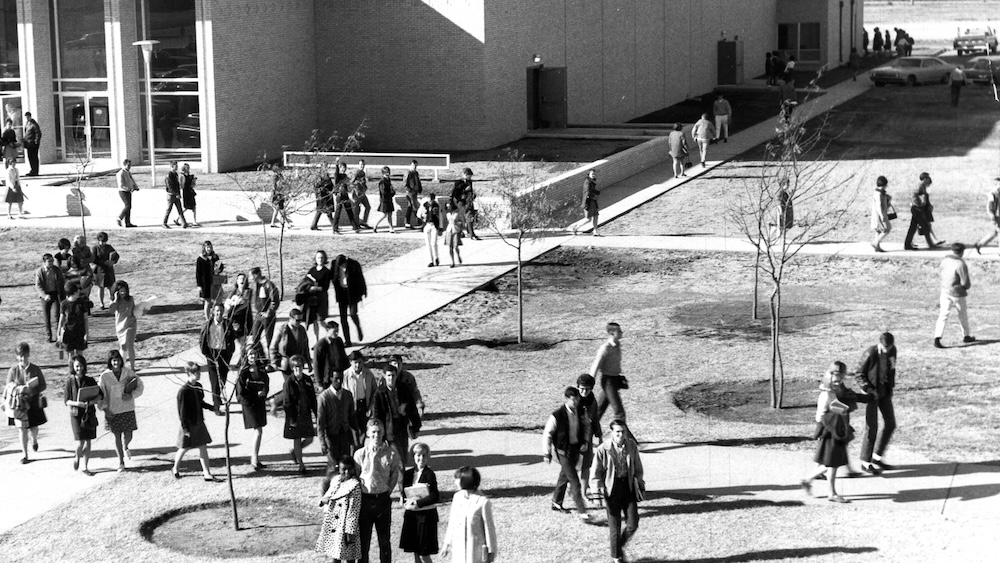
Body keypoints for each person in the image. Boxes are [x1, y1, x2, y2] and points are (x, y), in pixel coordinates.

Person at [800, 362, 858, 503]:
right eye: (837, 381)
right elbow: (821, 415)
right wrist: (844, 410)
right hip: (830, 431)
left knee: (832, 462)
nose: (839, 384)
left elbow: (838, 407)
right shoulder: (827, 395)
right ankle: (830, 493)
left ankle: (809, 481)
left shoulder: (830, 392)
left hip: (832, 430)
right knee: (832, 463)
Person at [590, 419, 644, 563]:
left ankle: (618, 546)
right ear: (612, 433)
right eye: (617, 432)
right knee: (615, 527)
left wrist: (640, 483)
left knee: (633, 524)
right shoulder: (603, 449)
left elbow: (638, 467)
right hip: (611, 491)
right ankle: (617, 557)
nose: (621, 434)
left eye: (623, 431)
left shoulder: (631, 445)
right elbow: (595, 473)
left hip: (628, 489)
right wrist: (597, 494)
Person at [354, 419, 402, 563]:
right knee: (363, 542)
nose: (376, 435)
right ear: (368, 433)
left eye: (379, 431)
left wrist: (388, 490)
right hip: (365, 501)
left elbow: (394, 474)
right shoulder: (360, 454)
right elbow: (356, 476)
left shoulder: (391, 454)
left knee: (384, 541)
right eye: (373, 432)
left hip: (382, 500)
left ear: (383, 433)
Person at [542, 386, 592, 521]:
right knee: (575, 482)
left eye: (577, 399)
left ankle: (556, 502)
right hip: (563, 452)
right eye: (573, 400)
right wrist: (547, 453)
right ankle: (582, 511)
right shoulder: (557, 415)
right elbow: (547, 434)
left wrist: (585, 441)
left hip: (575, 450)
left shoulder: (581, 411)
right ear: (567, 399)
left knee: (564, 477)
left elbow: (587, 426)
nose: (576, 402)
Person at [854, 332, 897, 474]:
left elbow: (892, 368)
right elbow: (859, 373)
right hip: (871, 394)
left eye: (889, 347)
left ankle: (877, 457)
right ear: (880, 344)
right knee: (872, 427)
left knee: (890, 423)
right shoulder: (870, 353)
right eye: (884, 348)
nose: (887, 350)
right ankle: (865, 463)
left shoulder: (892, 350)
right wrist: (868, 389)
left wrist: (890, 386)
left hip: (884, 391)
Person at [171, 361, 219, 480]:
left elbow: (201, 402)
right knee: (184, 447)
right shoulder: (183, 391)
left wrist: (213, 408)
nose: (199, 375)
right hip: (189, 424)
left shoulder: (198, 387)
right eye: (196, 373)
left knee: (203, 446)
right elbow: (182, 412)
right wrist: (185, 428)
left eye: (199, 372)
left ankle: (206, 473)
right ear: (189, 373)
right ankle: (175, 468)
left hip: (199, 421)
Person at [97, 349, 143, 471]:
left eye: (117, 360)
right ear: (110, 362)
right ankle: (121, 462)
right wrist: (104, 408)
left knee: (129, 434)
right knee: (116, 436)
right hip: (113, 410)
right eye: (113, 360)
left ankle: (126, 446)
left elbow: (139, 385)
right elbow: (100, 394)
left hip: (127, 408)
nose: (116, 363)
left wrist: (132, 395)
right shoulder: (104, 376)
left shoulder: (128, 372)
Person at [441, 466, 498, 563]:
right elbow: (452, 521)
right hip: (459, 548)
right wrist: (446, 544)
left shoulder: (482, 502)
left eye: (457, 479)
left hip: (475, 550)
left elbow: (489, 529)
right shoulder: (457, 497)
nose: (455, 482)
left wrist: (491, 552)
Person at [590, 322, 634, 442]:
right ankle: (629, 441)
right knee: (619, 412)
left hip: (614, 380)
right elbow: (596, 366)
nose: (622, 333)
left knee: (599, 410)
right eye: (619, 331)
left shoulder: (617, 345)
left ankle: (583, 435)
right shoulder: (605, 348)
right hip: (608, 381)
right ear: (612, 333)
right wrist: (588, 383)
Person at [5, 342, 47, 464]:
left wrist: (33, 390)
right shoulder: (13, 370)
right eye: (20, 356)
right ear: (17, 356)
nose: (23, 358)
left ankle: (34, 440)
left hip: (33, 403)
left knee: (34, 427)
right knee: (21, 429)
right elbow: (8, 386)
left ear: (29, 355)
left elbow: (43, 385)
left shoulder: (35, 369)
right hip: (19, 405)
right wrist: (18, 389)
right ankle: (25, 455)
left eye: (25, 355)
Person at [316, 455, 364, 561]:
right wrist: (323, 500)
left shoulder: (354, 485)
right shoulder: (336, 480)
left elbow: (353, 510)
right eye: (343, 470)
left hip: (345, 526)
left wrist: (350, 531)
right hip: (334, 523)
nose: (346, 472)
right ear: (339, 469)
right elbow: (329, 493)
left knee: (349, 556)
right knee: (335, 554)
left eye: (349, 469)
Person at [400, 442, 440, 563]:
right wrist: (404, 500)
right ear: (413, 456)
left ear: (428, 457)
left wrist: (418, 503)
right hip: (412, 516)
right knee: (416, 552)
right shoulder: (407, 474)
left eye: (424, 455)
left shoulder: (429, 474)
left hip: (426, 517)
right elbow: (404, 493)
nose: (421, 458)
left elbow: (435, 496)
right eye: (418, 455)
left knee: (424, 553)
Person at [65, 354, 102, 475]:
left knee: (89, 441)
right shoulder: (69, 382)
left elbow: (100, 395)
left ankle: (85, 467)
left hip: (88, 413)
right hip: (76, 414)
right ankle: (77, 456)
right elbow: (66, 401)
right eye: (76, 366)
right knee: (80, 442)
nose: (79, 368)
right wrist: (77, 403)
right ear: (73, 367)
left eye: (81, 366)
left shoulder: (90, 380)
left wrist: (90, 402)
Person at [934, 243, 975, 348]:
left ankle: (937, 337)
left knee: (943, 314)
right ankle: (966, 336)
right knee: (962, 314)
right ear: (962, 252)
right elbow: (965, 283)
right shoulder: (961, 264)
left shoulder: (945, 260)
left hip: (945, 291)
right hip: (957, 293)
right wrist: (965, 287)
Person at [235, 345, 269, 470]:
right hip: (249, 404)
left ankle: (255, 458)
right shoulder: (243, 371)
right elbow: (241, 392)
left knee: (259, 430)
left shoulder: (261, 369)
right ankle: (254, 460)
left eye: (254, 354)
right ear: (246, 356)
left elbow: (266, 382)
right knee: (258, 430)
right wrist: (255, 394)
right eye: (250, 354)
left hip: (259, 402)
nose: (252, 356)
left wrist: (264, 392)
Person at [284, 354, 318, 474]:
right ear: (292, 368)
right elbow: (287, 402)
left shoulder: (307, 380)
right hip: (294, 416)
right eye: (295, 367)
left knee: (310, 438)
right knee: (297, 439)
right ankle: (301, 465)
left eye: (300, 366)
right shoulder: (289, 382)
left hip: (306, 414)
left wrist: (317, 414)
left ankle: (295, 452)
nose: (298, 369)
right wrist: (291, 419)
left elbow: (313, 398)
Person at [200, 303, 235, 415]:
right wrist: (207, 354)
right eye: (217, 311)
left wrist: (230, 352)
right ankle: (216, 407)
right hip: (212, 354)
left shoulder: (227, 324)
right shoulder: (208, 325)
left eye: (221, 310)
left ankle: (218, 398)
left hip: (224, 354)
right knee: (215, 382)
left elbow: (232, 338)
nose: (219, 313)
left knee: (222, 380)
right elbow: (202, 340)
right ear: (213, 312)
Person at [317, 370, 356, 468]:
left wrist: (355, 436)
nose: (339, 381)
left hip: (344, 435)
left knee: (346, 464)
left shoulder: (348, 395)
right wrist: (322, 443)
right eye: (336, 379)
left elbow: (352, 417)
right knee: (333, 466)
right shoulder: (324, 397)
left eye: (341, 379)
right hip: (331, 436)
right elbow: (320, 423)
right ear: (331, 379)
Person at [903, 172, 945, 250]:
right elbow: (914, 197)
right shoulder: (919, 187)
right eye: (928, 178)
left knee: (913, 227)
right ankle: (931, 245)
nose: (929, 180)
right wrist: (920, 205)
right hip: (917, 209)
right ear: (925, 179)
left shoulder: (921, 186)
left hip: (917, 209)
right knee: (925, 227)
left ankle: (907, 244)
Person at [332, 254, 367, 346]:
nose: (343, 267)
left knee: (352, 314)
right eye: (341, 266)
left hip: (352, 293)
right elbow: (332, 277)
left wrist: (363, 291)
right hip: (342, 294)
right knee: (343, 319)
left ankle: (358, 327)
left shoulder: (354, 265)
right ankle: (348, 341)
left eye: (344, 265)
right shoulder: (334, 265)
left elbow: (360, 278)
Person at [388, 354, 425, 440]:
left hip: (407, 405)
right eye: (394, 364)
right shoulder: (386, 377)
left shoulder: (408, 377)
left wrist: (419, 403)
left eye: (398, 364)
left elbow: (415, 391)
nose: (396, 366)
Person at [299, 250, 333, 341]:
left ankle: (331, 333)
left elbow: (325, 287)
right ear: (315, 259)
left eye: (322, 257)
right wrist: (308, 287)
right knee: (314, 321)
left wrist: (315, 288)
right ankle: (317, 340)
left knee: (320, 320)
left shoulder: (326, 271)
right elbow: (306, 280)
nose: (320, 259)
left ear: (325, 259)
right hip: (312, 299)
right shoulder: (312, 270)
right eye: (318, 257)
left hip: (321, 298)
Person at [576, 374, 600, 500]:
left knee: (586, 466)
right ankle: (572, 491)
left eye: (587, 389)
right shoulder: (573, 401)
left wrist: (598, 433)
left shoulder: (593, 401)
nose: (584, 392)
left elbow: (595, 417)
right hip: (574, 438)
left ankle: (584, 493)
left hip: (587, 438)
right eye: (581, 389)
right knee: (572, 467)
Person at [271, 307, 312, 377]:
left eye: (301, 320)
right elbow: (273, 347)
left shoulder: (301, 329)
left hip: (298, 362)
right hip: (286, 363)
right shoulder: (281, 330)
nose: (299, 322)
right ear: (291, 318)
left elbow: (305, 346)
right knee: (289, 384)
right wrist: (274, 362)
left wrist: (308, 362)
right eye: (297, 320)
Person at [345, 351, 376, 444]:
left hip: (363, 405)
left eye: (360, 362)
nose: (357, 365)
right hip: (351, 406)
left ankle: (360, 448)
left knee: (363, 430)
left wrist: (371, 406)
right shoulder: (345, 375)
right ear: (350, 362)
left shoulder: (368, 374)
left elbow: (375, 391)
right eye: (355, 363)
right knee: (353, 432)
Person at [108, 280, 138, 371]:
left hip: (131, 324)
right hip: (120, 326)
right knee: (123, 346)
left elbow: (134, 310)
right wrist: (116, 300)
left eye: (124, 290)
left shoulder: (130, 299)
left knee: (130, 345)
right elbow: (112, 311)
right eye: (120, 291)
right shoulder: (114, 301)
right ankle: (123, 366)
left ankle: (132, 366)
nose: (123, 292)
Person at [57, 281, 90, 362]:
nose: (78, 292)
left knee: (79, 354)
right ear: (72, 293)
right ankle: (71, 371)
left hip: (79, 331)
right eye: (76, 291)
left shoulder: (82, 303)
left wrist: (87, 333)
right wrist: (58, 333)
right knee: (70, 355)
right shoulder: (64, 304)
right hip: (68, 333)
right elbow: (61, 319)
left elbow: (85, 318)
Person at [35, 253, 65, 343]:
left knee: (57, 316)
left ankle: (58, 336)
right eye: (49, 261)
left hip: (55, 294)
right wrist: (44, 295)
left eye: (52, 261)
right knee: (46, 317)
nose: (51, 262)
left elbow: (61, 282)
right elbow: (38, 286)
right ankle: (49, 336)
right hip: (45, 295)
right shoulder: (40, 271)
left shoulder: (56, 270)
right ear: (44, 262)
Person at [223, 272, 253, 362]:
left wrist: (233, 303)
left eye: (243, 279)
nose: (242, 281)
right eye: (240, 279)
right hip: (232, 320)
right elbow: (226, 302)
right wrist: (233, 302)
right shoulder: (234, 291)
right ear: (237, 281)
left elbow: (244, 303)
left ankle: (243, 360)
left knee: (242, 342)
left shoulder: (248, 291)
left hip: (243, 319)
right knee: (230, 340)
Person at [250, 266, 280, 350]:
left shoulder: (269, 285)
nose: (250, 278)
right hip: (257, 316)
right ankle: (259, 359)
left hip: (267, 318)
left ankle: (272, 360)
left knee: (269, 340)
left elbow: (275, 301)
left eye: (251, 276)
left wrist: (268, 312)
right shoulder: (254, 286)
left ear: (256, 275)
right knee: (255, 339)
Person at [314, 319, 349, 390]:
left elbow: (343, 356)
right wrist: (319, 383)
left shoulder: (339, 341)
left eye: (337, 331)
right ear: (327, 330)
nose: (336, 333)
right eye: (334, 331)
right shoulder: (320, 345)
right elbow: (316, 364)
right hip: (328, 377)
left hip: (340, 374)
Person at [91, 231, 118, 310]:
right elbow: (94, 259)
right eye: (101, 241)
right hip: (100, 270)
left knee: (110, 287)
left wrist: (112, 262)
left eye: (104, 241)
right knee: (101, 287)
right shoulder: (95, 248)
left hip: (108, 270)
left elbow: (116, 255)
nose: (103, 243)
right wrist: (103, 263)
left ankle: (111, 302)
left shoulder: (109, 247)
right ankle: (101, 303)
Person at [451, 167, 480, 241]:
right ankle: (462, 232)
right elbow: (455, 193)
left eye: (470, 176)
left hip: (469, 201)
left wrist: (472, 196)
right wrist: (464, 190)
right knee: (462, 218)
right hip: (461, 202)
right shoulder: (459, 182)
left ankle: (470, 233)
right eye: (468, 175)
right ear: (464, 175)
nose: (469, 177)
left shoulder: (469, 182)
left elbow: (470, 191)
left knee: (470, 217)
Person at [195, 240, 221, 321]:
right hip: (205, 283)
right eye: (207, 247)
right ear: (204, 248)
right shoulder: (200, 259)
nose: (209, 249)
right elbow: (198, 273)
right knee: (208, 301)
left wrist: (219, 269)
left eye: (210, 247)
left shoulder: (215, 257)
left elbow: (220, 265)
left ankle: (215, 317)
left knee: (217, 300)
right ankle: (207, 319)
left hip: (215, 282)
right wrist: (199, 285)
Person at [333, 161, 361, 233]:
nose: (343, 169)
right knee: (338, 212)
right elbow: (336, 174)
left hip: (345, 195)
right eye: (342, 167)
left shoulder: (345, 176)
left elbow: (349, 184)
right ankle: (335, 229)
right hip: (339, 195)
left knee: (349, 211)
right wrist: (336, 164)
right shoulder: (337, 176)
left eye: (344, 167)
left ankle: (355, 227)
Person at [974, 178, 1000, 254]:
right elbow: (990, 206)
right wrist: (992, 215)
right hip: (997, 215)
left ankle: (979, 244)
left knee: (994, 232)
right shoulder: (993, 194)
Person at [163, 160, 189, 229]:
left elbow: (177, 185)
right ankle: (164, 223)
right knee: (169, 209)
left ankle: (184, 223)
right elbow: (170, 186)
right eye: (176, 166)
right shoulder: (169, 175)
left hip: (176, 194)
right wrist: (176, 193)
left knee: (180, 209)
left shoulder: (175, 174)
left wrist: (178, 193)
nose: (177, 167)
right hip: (171, 195)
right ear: (172, 166)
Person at [870, 176, 893, 253]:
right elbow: (878, 206)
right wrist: (882, 215)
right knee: (887, 229)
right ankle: (875, 242)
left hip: (880, 214)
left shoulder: (881, 193)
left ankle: (877, 247)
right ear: (884, 184)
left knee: (879, 230)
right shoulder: (879, 193)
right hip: (880, 215)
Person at [420, 193, 444, 267]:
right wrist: (423, 217)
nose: (431, 200)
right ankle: (430, 260)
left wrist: (441, 227)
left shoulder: (437, 205)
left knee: (433, 243)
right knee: (428, 244)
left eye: (432, 199)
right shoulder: (425, 205)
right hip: (427, 225)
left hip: (434, 225)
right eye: (430, 199)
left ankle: (436, 258)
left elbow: (440, 216)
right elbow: (419, 213)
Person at [310, 167, 336, 231]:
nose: (326, 169)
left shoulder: (327, 177)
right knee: (320, 211)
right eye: (324, 167)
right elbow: (317, 187)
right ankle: (314, 225)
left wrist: (333, 190)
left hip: (328, 196)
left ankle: (334, 226)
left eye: (326, 167)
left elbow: (331, 186)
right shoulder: (319, 177)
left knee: (328, 211)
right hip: (322, 197)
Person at [373, 166, 397, 234]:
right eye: (386, 172)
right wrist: (391, 193)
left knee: (390, 214)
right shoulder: (382, 181)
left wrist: (392, 192)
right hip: (384, 200)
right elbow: (383, 192)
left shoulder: (388, 180)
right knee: (384, 215)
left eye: (388, 172)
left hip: (389, 199)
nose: (388, 173)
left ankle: (391, 228)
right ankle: (375, 225)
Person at [116, 159, 138, 227]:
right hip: (123, 191)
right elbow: (121, 185)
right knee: (127, 205)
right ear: (124, 165)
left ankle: (127, 222)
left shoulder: (128, 172)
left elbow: (132, 180)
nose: (129, 167)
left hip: (128, 191)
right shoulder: (121, 173)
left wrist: (135, 187)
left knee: (129, 206)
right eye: (128, 165)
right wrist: (128, 188)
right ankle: (119, 218)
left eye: (130, 165)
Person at [71, 234, 95, 299]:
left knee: (87, 285)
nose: (82, 244)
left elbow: (92, 258)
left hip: (86, 269)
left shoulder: (87, 249)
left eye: (83, 243)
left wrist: (86, 260)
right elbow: (76, 259)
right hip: (76, 270)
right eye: (80, 243)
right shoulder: (73, 249)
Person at [443, 202, 463, 268]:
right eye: (447, 207)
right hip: (449, 230)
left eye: (449, 206)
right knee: (450, 246)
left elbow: (461, 221)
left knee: (456, 246)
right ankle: (452, 261)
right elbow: (445, 222)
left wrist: (457, 223)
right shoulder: (447, 214)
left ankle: (458, 256)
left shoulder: (457, 213)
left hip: (456, 230)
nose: (448, 208)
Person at [404, 160, 424, 229]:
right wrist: (410, 190)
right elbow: (405, 184)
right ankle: (419, 222)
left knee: (410, 207)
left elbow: (418, 181)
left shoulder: (416, 173)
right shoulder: (408, 173)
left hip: (414, 192)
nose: (414, 167)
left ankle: (407, 222)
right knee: (414, 206)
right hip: (410, 193)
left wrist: (420, 189)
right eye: (413, 165)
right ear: (410, 165)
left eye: (416, 166)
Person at [352, 159, 372, 228]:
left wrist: (365, 188)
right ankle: (356, 224)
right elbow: (352, 182)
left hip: (362, 193)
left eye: (363, 164)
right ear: (358, 165)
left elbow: (363, 183)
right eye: (360, 164)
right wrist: (356, 189)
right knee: (356, 209)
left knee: (368, 207)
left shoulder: (363, 173)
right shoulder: (357, 173)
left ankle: (364, 222)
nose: (362, 166)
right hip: (357, 194)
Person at [582, 169, 600, 236]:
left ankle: (595, 231)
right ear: (588, 174)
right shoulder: (587, 182)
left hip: (593, 201)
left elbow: (592, 190)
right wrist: (586, 203)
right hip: (589, 202)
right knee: (588, 219)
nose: (594, 175)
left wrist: (596, 193)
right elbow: (587, 192)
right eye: (592, 174)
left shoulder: (591, 181)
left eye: (594, 174)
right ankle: (575, 227)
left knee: (595, 216)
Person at [22, 111, 40, 176]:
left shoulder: (34, 124)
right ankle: (32, 170)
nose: (26, 118)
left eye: (27, 117)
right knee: (30, 157)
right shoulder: (27, 124)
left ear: (30, 117)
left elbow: (38, 133)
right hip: (28, 144)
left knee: (34, 157)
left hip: (33, 144)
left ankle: (35, 171)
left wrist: (36, 142)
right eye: (26, 117)